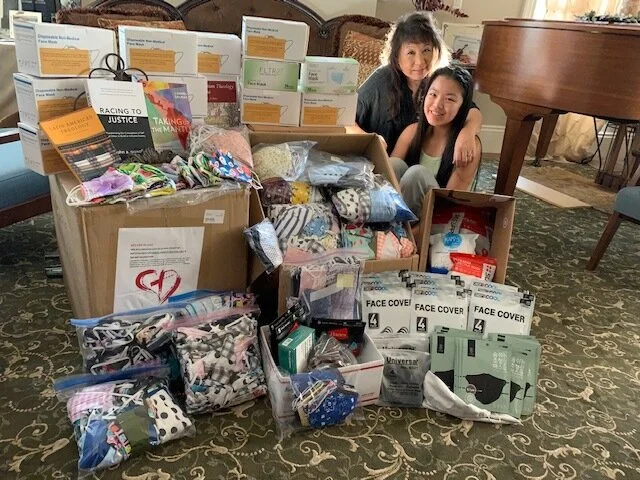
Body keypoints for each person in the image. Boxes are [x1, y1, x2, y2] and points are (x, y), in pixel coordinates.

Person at [353, 11, 482, 167]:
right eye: (411, 52)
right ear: (396, 55)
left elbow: (471, 109)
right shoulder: (381, 79)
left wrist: (468, 132)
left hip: (420, 169)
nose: (420, 62)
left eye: (426, 50)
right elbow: (347, 119)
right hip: (378, 165)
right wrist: (371, 141)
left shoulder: (439, 78)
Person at [389, 66, 480, 219]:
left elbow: (449, 206)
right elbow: (388, 181)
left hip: (439, 218)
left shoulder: (467, 146)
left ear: (463, 106)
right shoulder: (412, 132)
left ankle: (401, 228)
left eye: (449, 99)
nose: (437, 105)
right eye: (433, 94)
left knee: (417, 174)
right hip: (403, 212)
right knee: (393, 164)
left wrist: (412, 234)